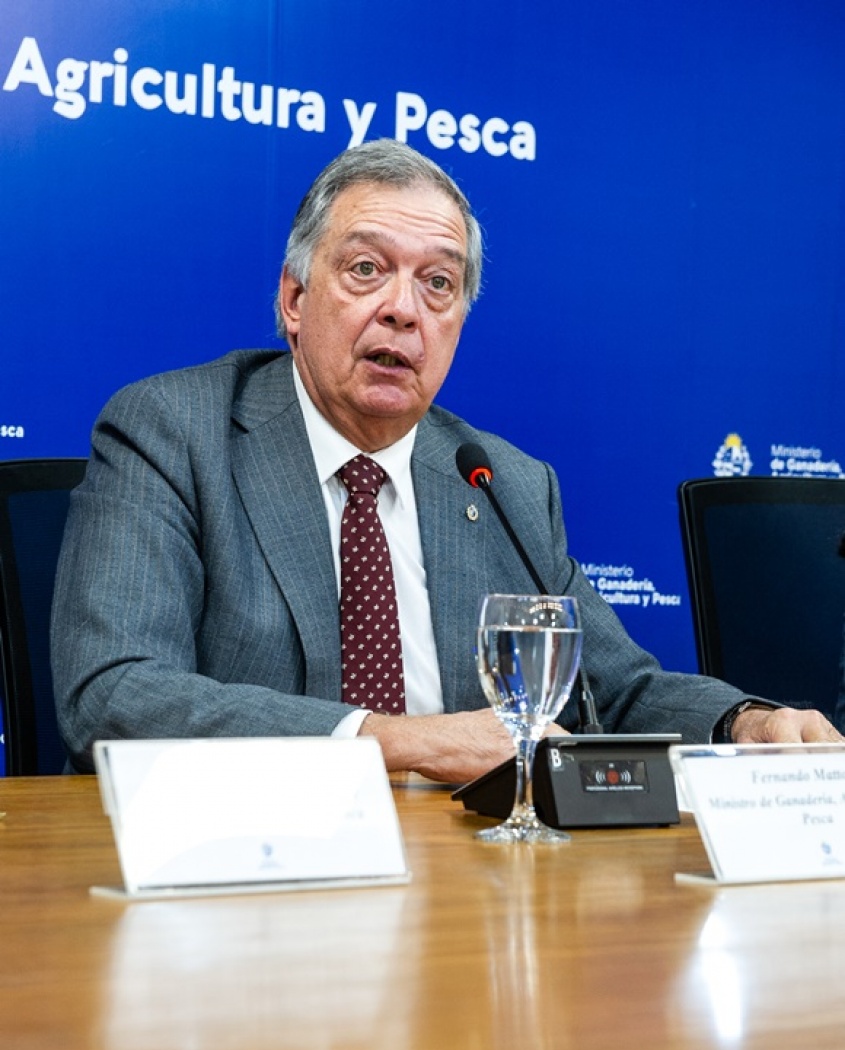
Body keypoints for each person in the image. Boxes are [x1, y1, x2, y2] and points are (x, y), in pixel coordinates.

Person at [50, 140, 839, 781]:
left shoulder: (501, 482)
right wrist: (407, 742)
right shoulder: (175, 432)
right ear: (294, 299)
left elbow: (617, 691)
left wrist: (744, 723)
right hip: (246, 870)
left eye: (437, 283)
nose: (403, 308)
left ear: (459, 319)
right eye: (366, 269)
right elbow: (115, 691)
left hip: (460, 873)